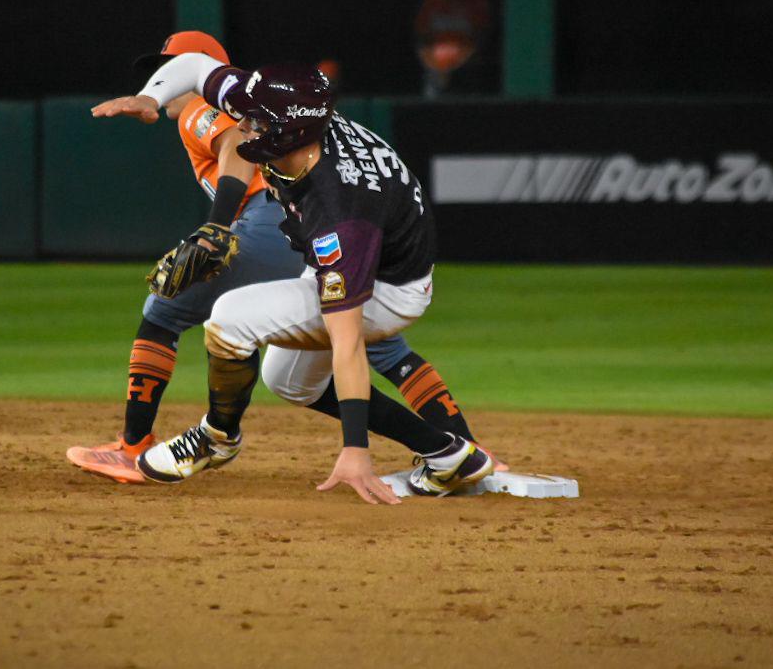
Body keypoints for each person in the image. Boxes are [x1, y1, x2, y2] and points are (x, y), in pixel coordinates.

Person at [67, 32, 488, 486]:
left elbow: (346, 344)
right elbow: (193, 68)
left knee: (231, 319)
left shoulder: (340, 214)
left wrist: (354, 450)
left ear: (293, 134)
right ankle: (451, 453)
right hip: (358, 252)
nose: (246, 127)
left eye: (259, 127)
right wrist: (149, 97)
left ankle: (216, 438)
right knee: (289, 381)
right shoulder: (283, 109)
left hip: (390, 289)